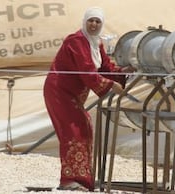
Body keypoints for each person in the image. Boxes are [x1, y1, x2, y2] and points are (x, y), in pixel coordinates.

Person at [43, 7, 135, 192]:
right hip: (59, 92)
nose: (93, 24)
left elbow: (105, 68)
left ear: (102, 24)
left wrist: (123, 72)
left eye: (97, 21)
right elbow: (87, 72)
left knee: (84, 127)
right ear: (84, 22)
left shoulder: (95, 43)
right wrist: (111, 86)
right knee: (74, 131)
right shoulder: (76, 41)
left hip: (73, 95)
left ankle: (80, 179)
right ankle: (69, 180)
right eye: (90, 21)